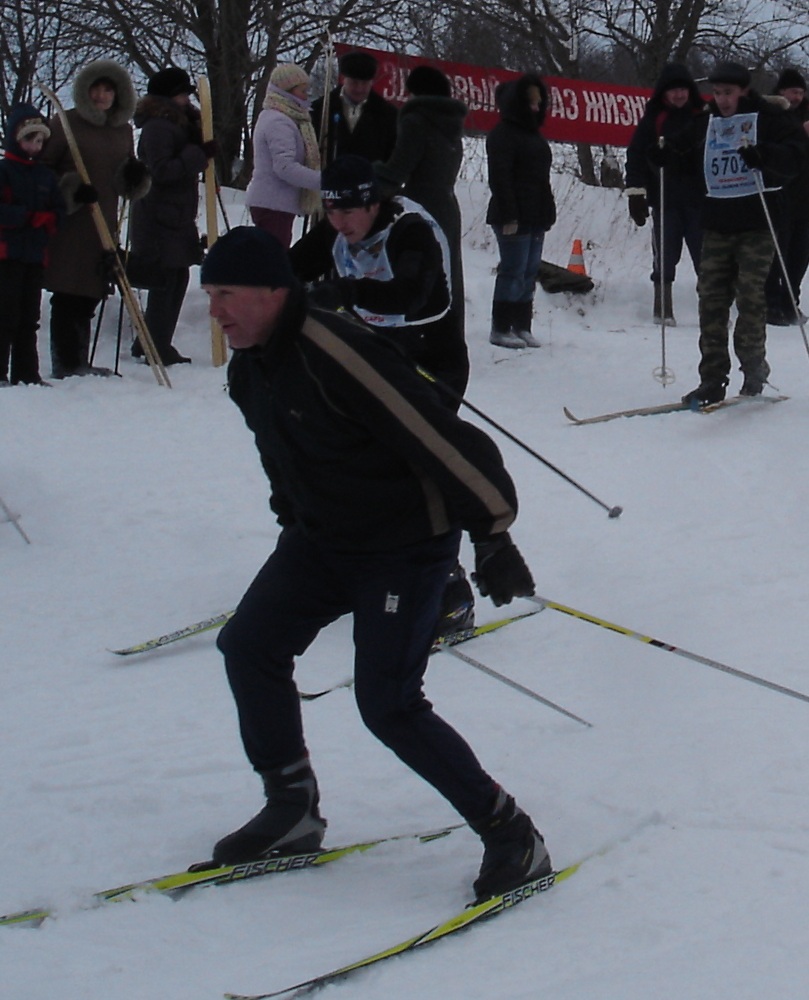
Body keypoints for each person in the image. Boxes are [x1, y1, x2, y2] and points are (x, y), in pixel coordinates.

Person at [198, 226, 550, 904]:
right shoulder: (251, 365)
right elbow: (282, 456)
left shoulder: (336, 351)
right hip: (325, 538)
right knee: (248, 645)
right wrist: (294, 521)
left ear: (274, 293)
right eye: (210, 295)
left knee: (387, 705)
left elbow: (442, 438)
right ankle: (291, 806)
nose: (216, 311)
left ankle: (512, 834)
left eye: (227, 295)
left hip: (403, 546)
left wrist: (493, 536)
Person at [290, 153, 466, 399]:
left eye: (348, 212)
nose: (338, 222)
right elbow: (293, 266)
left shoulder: (412, 230)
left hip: (429, 354)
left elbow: (410, 295)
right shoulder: (339, 229)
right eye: (330, 213)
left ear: (372, 204)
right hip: (374, 350)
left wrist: (348, 291)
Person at [686, 60, 805, 407]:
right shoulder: (704, 122)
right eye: (717, 93)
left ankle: (754, 369)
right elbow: (681, 156)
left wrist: (764, 155)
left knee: (750, 296)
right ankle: (711, 378)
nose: (722, 100)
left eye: (728, 93)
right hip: (717, 222)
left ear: (744, 91)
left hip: (757, 222)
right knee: (710, 299)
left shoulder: (769, 118)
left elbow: (796, 156)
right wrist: (661, 157)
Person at [38, 61, 148, 378]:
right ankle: (66, 362)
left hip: (104, 221)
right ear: (86, 92)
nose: (101, 95)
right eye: (96, 89)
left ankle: (79, 360)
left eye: (108, 90)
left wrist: (134, 177)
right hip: (72, 222)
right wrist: (70, 189)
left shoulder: (122, 129)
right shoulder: (66, 123)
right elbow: (43, 168)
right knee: (68, 290)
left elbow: (125, 174)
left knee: (91, 291)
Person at [0, 107, 60, 387]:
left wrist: (54, 218)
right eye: (29, 140)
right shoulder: (0, 171)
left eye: (39, 141)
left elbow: (58, 207)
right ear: (15, 139)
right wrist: (27, 217)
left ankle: (27, 373)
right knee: (7, 314)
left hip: (35, 254)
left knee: (30, 317)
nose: (34, 147)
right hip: (5, 253)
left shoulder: (44, 175)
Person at [128, 67, 209, 365]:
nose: (186, 98)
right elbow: (161, 170)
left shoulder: (176, 124)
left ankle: (150, 341)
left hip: (173, 214)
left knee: (176, 277)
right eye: (181, 93)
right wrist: (198, 155)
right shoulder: (158, 127)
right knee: (166, 281)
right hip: (159, 215)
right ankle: (155, 345)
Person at [381, 62, 469, 325]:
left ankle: (421, 330)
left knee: (420, 271)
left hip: (419, 206)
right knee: (448, 273)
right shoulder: (452, 125)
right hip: (447, 206)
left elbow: (399, 168)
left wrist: (374, 177)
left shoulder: (417, 121)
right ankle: (449, 329)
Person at [623, 63, 705, 325]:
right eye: (673, 91)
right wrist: (636, 193)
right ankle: (663, 308)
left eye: (682, 90)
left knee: (706, 257)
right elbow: (635, 156)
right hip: (665, 198)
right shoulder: (653, 119)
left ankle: (711, 307)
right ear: (663, 93)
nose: (679, 96)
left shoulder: (702, 116)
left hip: (699, 199)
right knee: (665, 255)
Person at [485, 74, 556, 351]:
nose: (537, 108)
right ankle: (500, 327)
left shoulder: (534, 136)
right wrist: (510, 214)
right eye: (531, 103)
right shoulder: (503, 134)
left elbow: (542, 178)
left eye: (540, 103)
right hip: (511, 215)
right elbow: (500, 178)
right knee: (512, 270)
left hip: (535, 214)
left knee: (528, 271)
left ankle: (521, 325)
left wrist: (547, 209)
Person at [762, 67, 809, 328]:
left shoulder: (808, 116)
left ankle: (791, 302)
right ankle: (771, 304)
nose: (797, 96)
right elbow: (776, 150)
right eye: (793, 91)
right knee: (777, 254)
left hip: (804, 197)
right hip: (779, 196)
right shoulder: (771, 115)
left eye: (801, 92)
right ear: (781, 91)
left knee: (800, 256)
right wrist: (801, 133)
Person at [244, 62, 324, 242]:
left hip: (277, 204)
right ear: (287, 90)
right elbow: (285, 167)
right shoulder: (279, 121)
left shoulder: (282, 116)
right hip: (273, 204)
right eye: (302, 91)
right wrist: (323, 180)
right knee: (273, 262)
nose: (306, 96)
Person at [321, 49, 400, 166]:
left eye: (365, 83)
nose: (359, 89)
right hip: (327, 181)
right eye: (354, 83)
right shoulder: (321, 109)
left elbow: (392, 156)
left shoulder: (388, 114)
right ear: (343, 79)